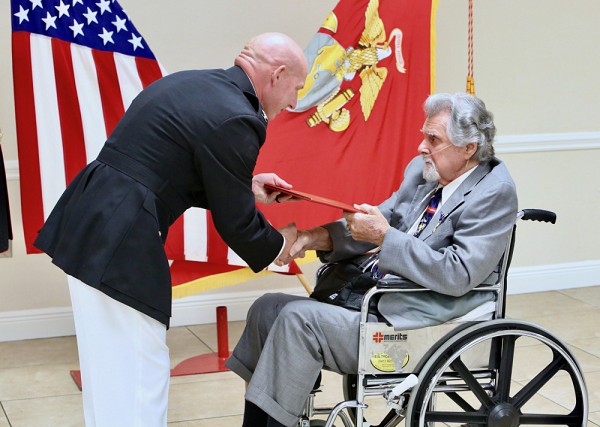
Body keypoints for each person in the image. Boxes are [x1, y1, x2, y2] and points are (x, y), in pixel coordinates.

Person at [33, 32, 308, 426]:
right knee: (139, 369)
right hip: (121, 240)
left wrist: (243, 185)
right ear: (278, 74)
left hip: (90, 222)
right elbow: (237, 225)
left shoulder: (190, 82)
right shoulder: (239, 117)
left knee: (109, 367)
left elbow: (161, 166)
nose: (294, 101)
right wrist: (278, 245)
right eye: (296, 88)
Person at [225, 92, 519, 427]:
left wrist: (384, 237)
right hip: (373, 296)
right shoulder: (424, 172)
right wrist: (311, 237)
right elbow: (382, 221)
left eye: (432, 139)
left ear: (468, 148)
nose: (421, 147)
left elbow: (459, 273)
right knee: (267, 308)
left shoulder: (494, 192)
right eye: (424, 135)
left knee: (297, 319)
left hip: (420, 316)